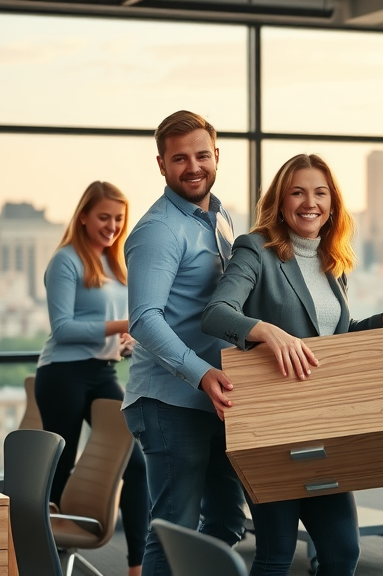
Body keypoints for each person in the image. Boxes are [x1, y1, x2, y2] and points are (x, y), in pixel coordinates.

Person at [200, 153, 383, 576]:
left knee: (343, 552)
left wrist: (381, 323)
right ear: (281, 200)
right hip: (271, 426)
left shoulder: (331, 261)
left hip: (321, 423)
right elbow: (216, 313)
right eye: (298, 192)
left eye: (320, 193)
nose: (311, 202)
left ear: (332, 203)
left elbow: (330, 340)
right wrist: (266, 331)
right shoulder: (257, 248)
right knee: (276, 553)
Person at [123, 110, 246, 576]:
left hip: (215, 398)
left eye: (201, 155)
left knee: (226, 522)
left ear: (217, 155)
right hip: (170, 400)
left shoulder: (220, 218)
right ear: (161, 165)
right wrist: (201, 373)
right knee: (173, 528)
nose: (192, 167)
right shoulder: (158, 231)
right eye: (179, 159)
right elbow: (145, 320)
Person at [34, 180, 148, 576]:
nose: (112, 225)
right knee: (59, 468)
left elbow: (112, 328)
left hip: (102, 373)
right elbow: (63, 328)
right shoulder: (66, 260)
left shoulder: (117, 265)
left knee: (135, 465)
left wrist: (126, 340)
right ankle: (39, 557)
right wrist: (124, 322)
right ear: (83, 216)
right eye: (104, 217)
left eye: (118, 218)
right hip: (62, 374)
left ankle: (137, 566)